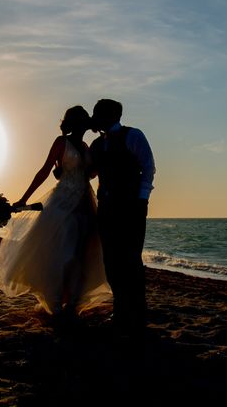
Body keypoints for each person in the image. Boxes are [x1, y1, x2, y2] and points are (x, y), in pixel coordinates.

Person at [0, 106, 111, 319]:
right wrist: (24, 199)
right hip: (63, 203)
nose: (86, 121)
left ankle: (72, 303)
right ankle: (55, 303)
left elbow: (88, 174)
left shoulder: (85, 146)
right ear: (75, 122)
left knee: (81, 256)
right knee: (63, 253)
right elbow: (44, 170)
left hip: (85, 203)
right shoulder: (61, 142)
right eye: (82, 118)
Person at [89, 99, 155, 336]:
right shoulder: (96, 144)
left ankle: (136, 313)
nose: (95, 117)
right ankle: (120, 309)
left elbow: (148, 166)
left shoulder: (133, 135)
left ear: (111, 115)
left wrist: (141, 199)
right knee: (111, 260)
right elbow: (91, 171)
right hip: (106, 206)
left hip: (131, 206)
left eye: (98, 113)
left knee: (131, 259)